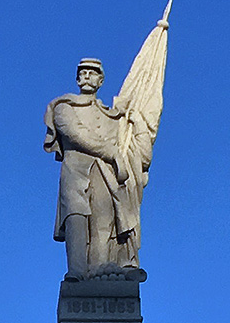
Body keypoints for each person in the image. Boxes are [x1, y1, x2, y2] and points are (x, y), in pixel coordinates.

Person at [43, 58, 151, 281]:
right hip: (76, 170)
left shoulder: (112, 117)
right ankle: (77, 272)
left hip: (104, 172)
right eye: (82, 73)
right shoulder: (64, 106)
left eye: (92, 74)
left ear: (101, 80)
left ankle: (99, 269)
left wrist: (136, 122)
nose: (86, 77)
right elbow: (75, 134)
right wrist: (110, 152)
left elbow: (136, 153)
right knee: (76, 217)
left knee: (103, 221)